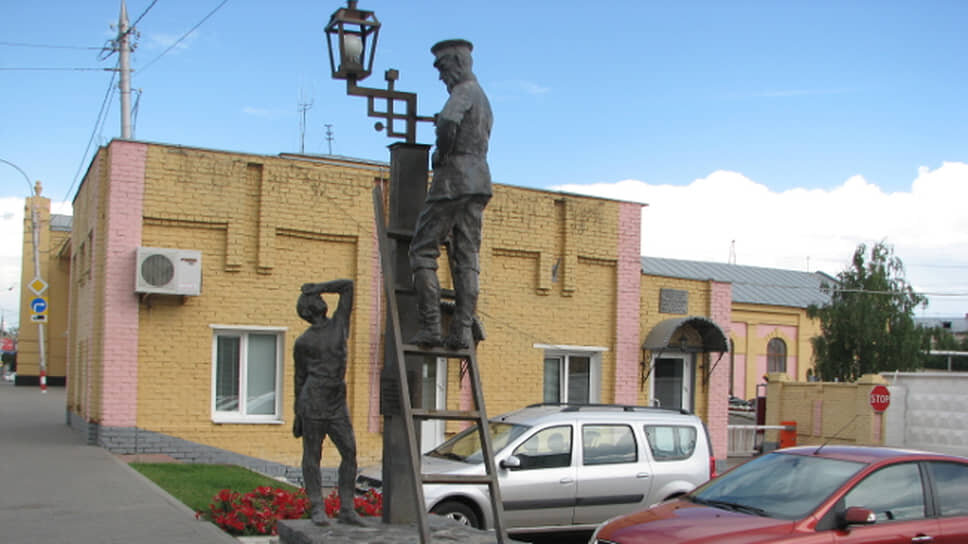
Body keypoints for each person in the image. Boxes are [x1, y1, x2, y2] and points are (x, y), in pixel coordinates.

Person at [409, 39, 493, 350]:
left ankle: (430, 326)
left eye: (443, 69)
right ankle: (461, 331)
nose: (441, 77)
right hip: (479, 182)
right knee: (467, 257)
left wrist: (441, 153)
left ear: (458, 65)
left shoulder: (464, 92)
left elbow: (448, 122)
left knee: (422, 250)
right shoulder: (482, 98)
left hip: (453, 181)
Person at [293, 279, 365, 526]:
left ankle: (347, 508)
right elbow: (299, 377)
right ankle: (316, 507)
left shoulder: (339, 325)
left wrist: (317, 286)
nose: (322, 299)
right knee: (312, 455)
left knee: (350, 451)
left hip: (336, 402)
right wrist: (297, 415)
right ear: (311, 309)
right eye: (317, 298)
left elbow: (347, 286)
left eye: (320, 296)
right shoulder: (302, 342)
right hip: (312, 402)